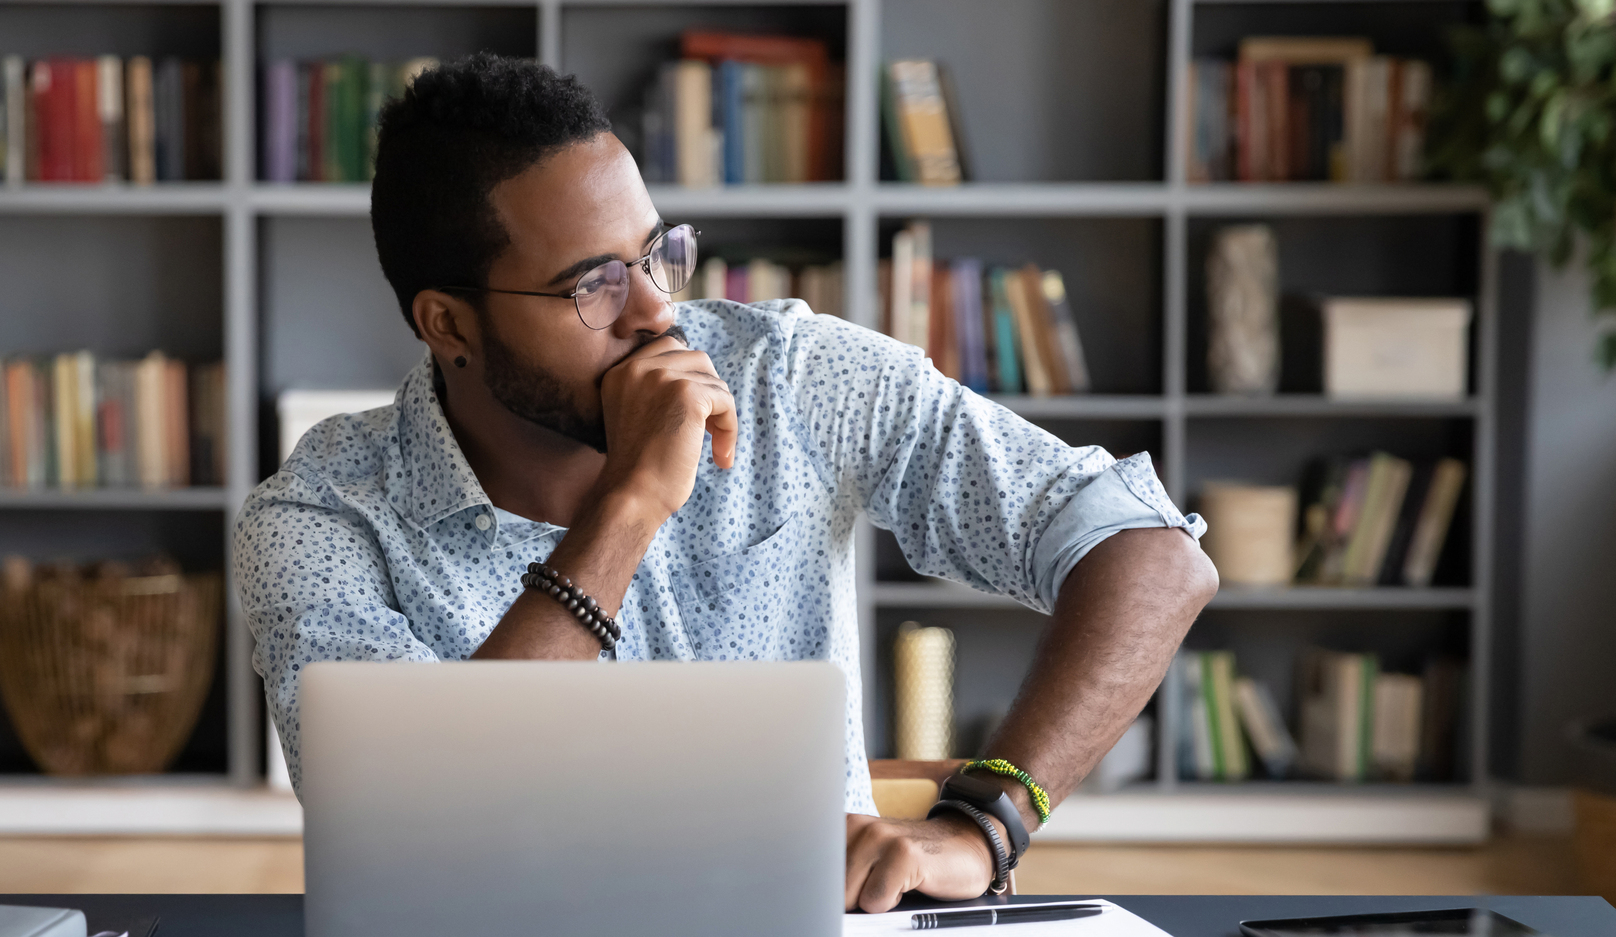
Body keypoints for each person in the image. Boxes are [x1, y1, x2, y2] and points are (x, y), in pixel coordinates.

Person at [233, 53, 1217, 912]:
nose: (660, 313)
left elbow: (1154, 554)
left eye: (658, 253)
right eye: (592, 285)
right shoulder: (320, 522)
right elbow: (410, 841)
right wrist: (630, 506)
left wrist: (989, 820)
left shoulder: (789, 376)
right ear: (447, 324)